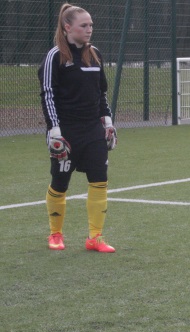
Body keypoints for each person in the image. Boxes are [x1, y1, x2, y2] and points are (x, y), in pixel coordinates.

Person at [38, 3, 117, 253]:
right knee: (60, 182)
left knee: (100, 181)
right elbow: (48, 95)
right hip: (66, 132)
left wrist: (108, 121)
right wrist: (54, 130)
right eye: (84, 25)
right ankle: (56, 234)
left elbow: (101, 93)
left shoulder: (94, 54)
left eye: (91, 25)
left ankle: (95, 237)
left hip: (93, 130)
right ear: (67, 27)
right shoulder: (55, 56)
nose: (89, 29)